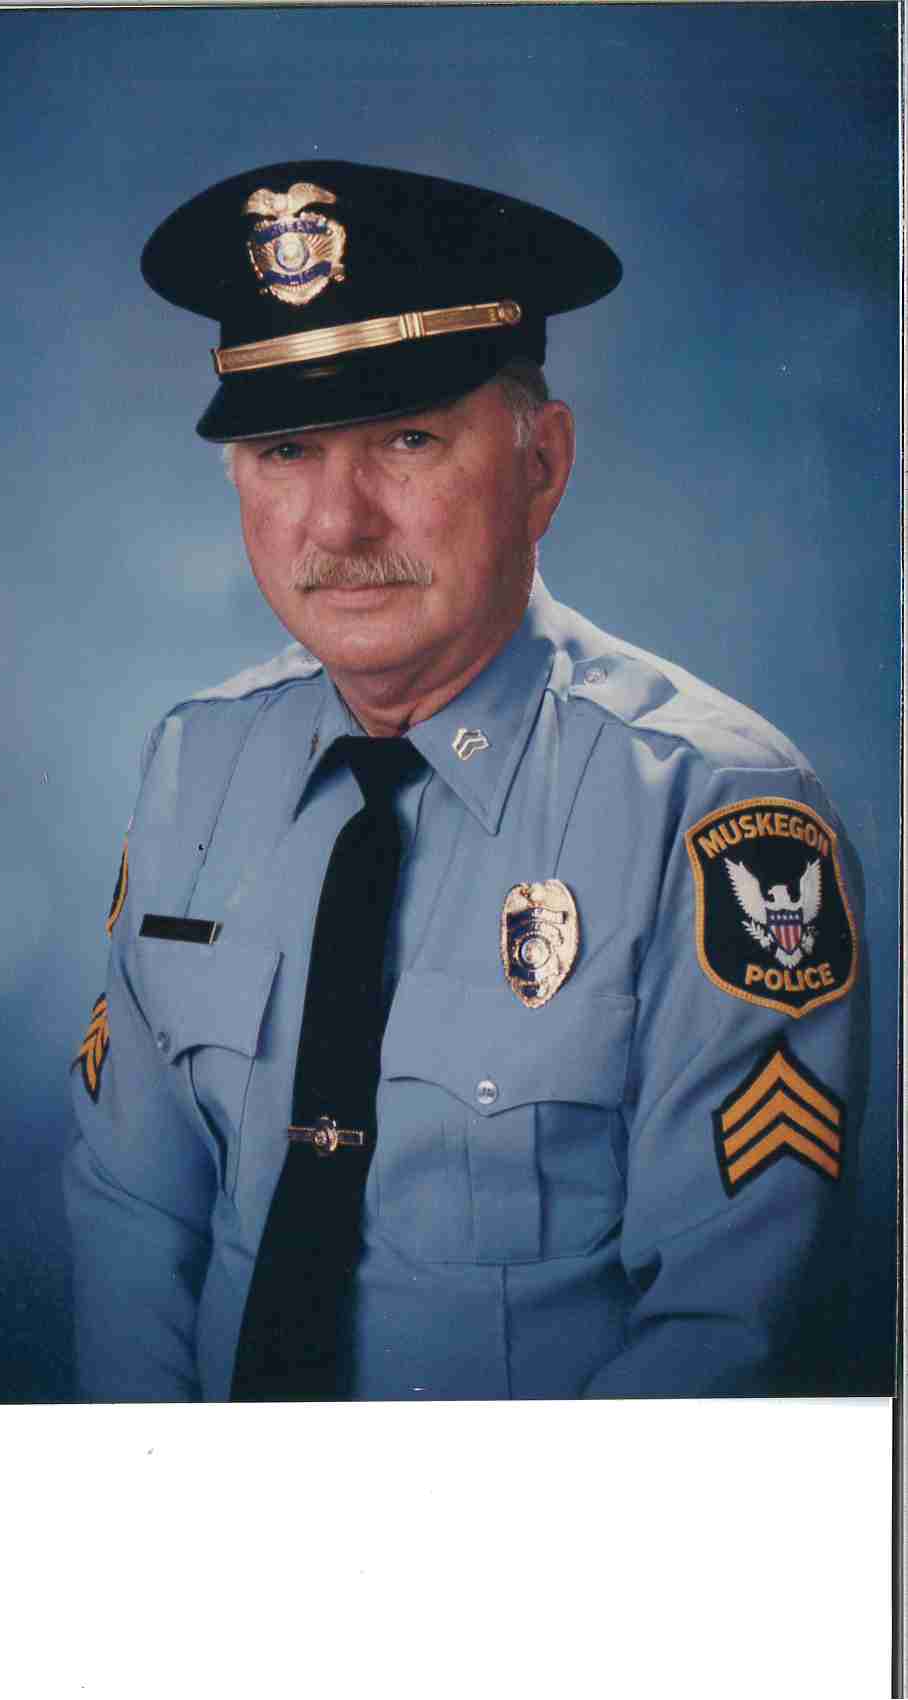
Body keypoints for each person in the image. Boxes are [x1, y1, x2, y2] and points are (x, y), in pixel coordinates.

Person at [65, 160, 864, 1401]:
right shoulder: (194, 763)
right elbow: (130, 1222)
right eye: (285, 449)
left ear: (541, 464)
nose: (338, 523)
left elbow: (721, 1332)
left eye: (407, 438)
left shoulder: (713, 809)